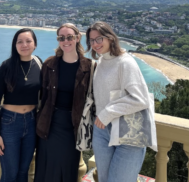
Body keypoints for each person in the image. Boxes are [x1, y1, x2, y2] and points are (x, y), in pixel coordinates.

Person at [86, 21, 151, 182]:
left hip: (128, 132)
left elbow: (141, 99)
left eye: (99, 39)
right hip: (102, 132)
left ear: (110, 38)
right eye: (91, 40)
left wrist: (108, 113)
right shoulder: (101, 62)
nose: (95, 44)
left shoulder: (125, 62)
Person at [35, 23, 92, 182]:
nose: (65, 41)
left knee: (67, 167)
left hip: (73, 125)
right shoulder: (49, 64)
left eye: (69, 37)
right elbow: (41, 94)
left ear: (77, 38)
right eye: (61, 38)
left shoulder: (89, 67)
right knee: (47, 166)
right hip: (49, 122)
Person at [0, 28, 42, 182]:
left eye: (28, 41)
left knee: (23, 171)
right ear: (15, 45)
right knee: (10, 174)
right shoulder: (6, 67)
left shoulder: (39, 63)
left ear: (35, 44)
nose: (24, 45)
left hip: (32, 122)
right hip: (9, 123)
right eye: (20, 41)